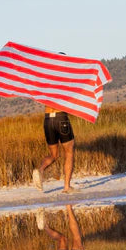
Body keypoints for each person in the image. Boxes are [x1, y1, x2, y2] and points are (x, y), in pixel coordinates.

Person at [33, 52, 79, 194]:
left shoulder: (47, 80)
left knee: (54, 155)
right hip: (60, 118)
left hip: (47, 119)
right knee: (69, 152)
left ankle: (40, 170)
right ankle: (66, 187)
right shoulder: (64, 79)